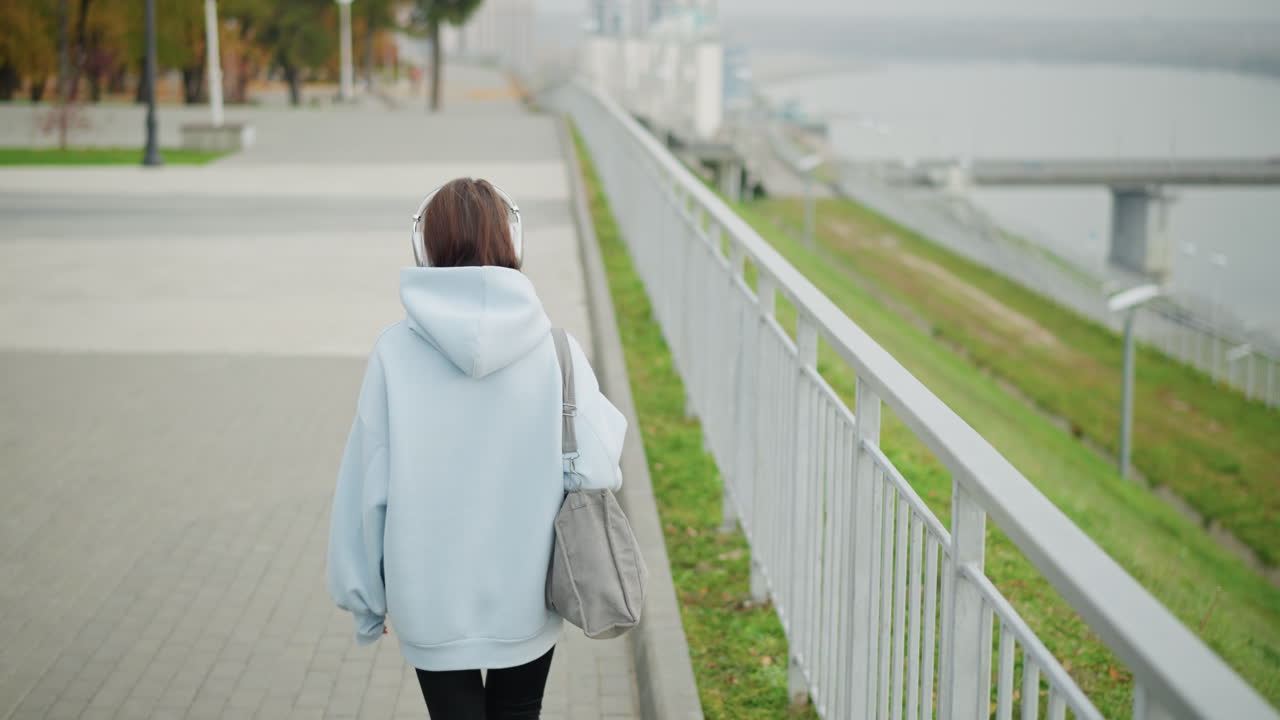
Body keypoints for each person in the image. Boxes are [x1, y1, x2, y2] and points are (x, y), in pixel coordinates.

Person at [326, 178, 627, 719]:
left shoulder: (394, 352)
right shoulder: (556, 349)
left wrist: (366, 601)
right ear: (514, 240)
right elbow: (599, 466)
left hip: (428, 595)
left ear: (425, 248)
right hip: (526, 591)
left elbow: (366, 486)